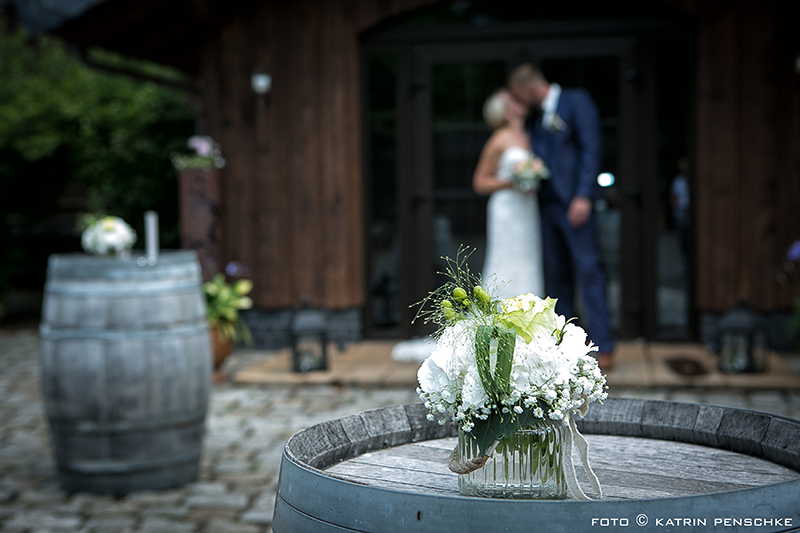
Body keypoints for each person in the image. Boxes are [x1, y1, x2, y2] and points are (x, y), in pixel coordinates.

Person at [508, 62, 615, 370]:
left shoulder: (576, 101)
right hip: (546, 206)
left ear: (529, 90)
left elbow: (591, 148)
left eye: (519, 97)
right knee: (557, 276)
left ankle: (604, 344)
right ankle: (567, 344)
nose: (519, 103)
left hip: (574, 203)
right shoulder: (534, 118)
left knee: (588, 271)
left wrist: (583, 195)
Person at [473, 89, 544, 299]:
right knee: (505, 259)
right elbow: (479, 182)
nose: (519, 100)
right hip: (506, 209)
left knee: (528, 258)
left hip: (527, 208)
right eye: (512, 100)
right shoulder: (499, 139)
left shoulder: (530, 135)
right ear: (505, 112)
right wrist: (512, 181)